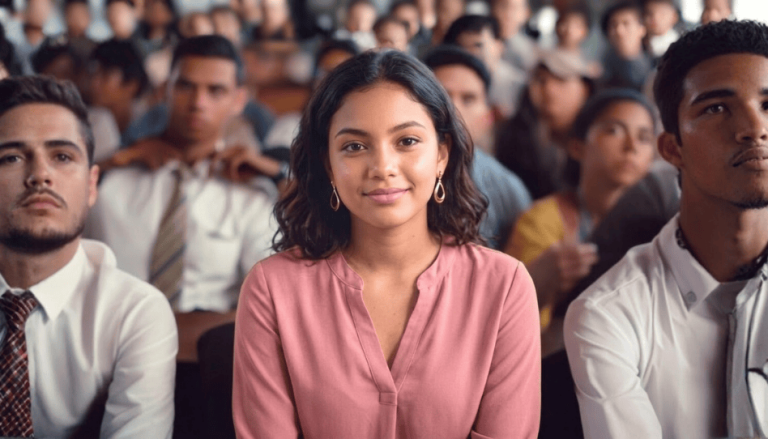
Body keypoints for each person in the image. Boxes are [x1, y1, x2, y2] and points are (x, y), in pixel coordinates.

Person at [232, 49, 540, 438]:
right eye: (354, 146)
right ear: (328, 164)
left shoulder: (505, 286)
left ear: (441, 155)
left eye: (407, 140)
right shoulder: (272, 289)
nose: (382, 167)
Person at [565, 20, 768, 438]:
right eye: (716, 108)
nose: (754, 127)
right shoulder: (608, 315)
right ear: (672, 148)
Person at [84, 35, 277, 437]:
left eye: (216, 90)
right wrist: (114, 159)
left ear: (239, 99)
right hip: (103, 361)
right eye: (186, 85)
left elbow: (264, 313)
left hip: (208, 371)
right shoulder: (109, 186)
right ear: (164, 89)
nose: (198, 102)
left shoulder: (251, 197)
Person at [0, 75, 176, 438]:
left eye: (62, 156)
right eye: (12, 157)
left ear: (92, 185)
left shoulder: (134, 312)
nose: (40, 175)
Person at [506, 88, 656, 356]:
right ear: (577, 147)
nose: (632, 146)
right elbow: (512, 335)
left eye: (645, 138)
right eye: (614, 130)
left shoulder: (660, 227)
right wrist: (537, 281)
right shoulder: (543, 220)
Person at [424, 45, 531, 250]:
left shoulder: (508, 190)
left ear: (488, 117)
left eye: (469, 99)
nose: (453, 110)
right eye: (441, 97)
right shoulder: (390, 176)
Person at [495, 48, 597, 200]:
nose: (549, 88)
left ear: (585, 90)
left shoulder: (598, 138)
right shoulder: (514, 137)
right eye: (541, 80)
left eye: (561, 80)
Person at [443, 14, 526, 119]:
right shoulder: (446, 84)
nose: (471, 54)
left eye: (478, 45)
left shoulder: (520, 86)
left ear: (499, 46)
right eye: (462, 48)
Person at [600, 1, 652, 91]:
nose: (619, 31)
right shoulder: (600, 74)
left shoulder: (655, 70)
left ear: (642, 29)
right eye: (613, 25)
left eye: (626, 23)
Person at [490, 0, 536, 73]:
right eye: (503, 6)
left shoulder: (531, 52)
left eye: (515, 8)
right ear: (492, 8)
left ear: (526, 13)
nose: (508, 14)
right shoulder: (479, 41)